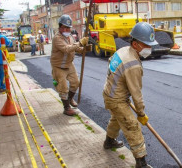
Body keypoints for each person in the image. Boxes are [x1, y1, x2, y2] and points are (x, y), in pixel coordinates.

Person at [102, 22, 157, 168]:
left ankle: (109, 141)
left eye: (150, 45)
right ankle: (141, 161)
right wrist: (140, 113)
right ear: (135, 44)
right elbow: (136, 93)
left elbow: (110, 62)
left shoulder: (123, 50)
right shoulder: (133, 64)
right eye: (146, 44)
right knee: (132, 125)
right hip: (116, 99)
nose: (149, 48)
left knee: (117, 119)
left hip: (109, 92)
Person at [50, 14, 92, 116]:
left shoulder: (70, 38)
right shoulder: (57, 38)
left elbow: (76, 49)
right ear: (60, 27)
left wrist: (84, 49)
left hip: (69, 64)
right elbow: (67, 49)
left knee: (75, 83)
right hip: (58, 66)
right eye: (64, 27)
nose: (67, 29)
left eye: (68, 28)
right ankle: (66, 107)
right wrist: (80, 43)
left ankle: (69, 99)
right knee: (63, 88)